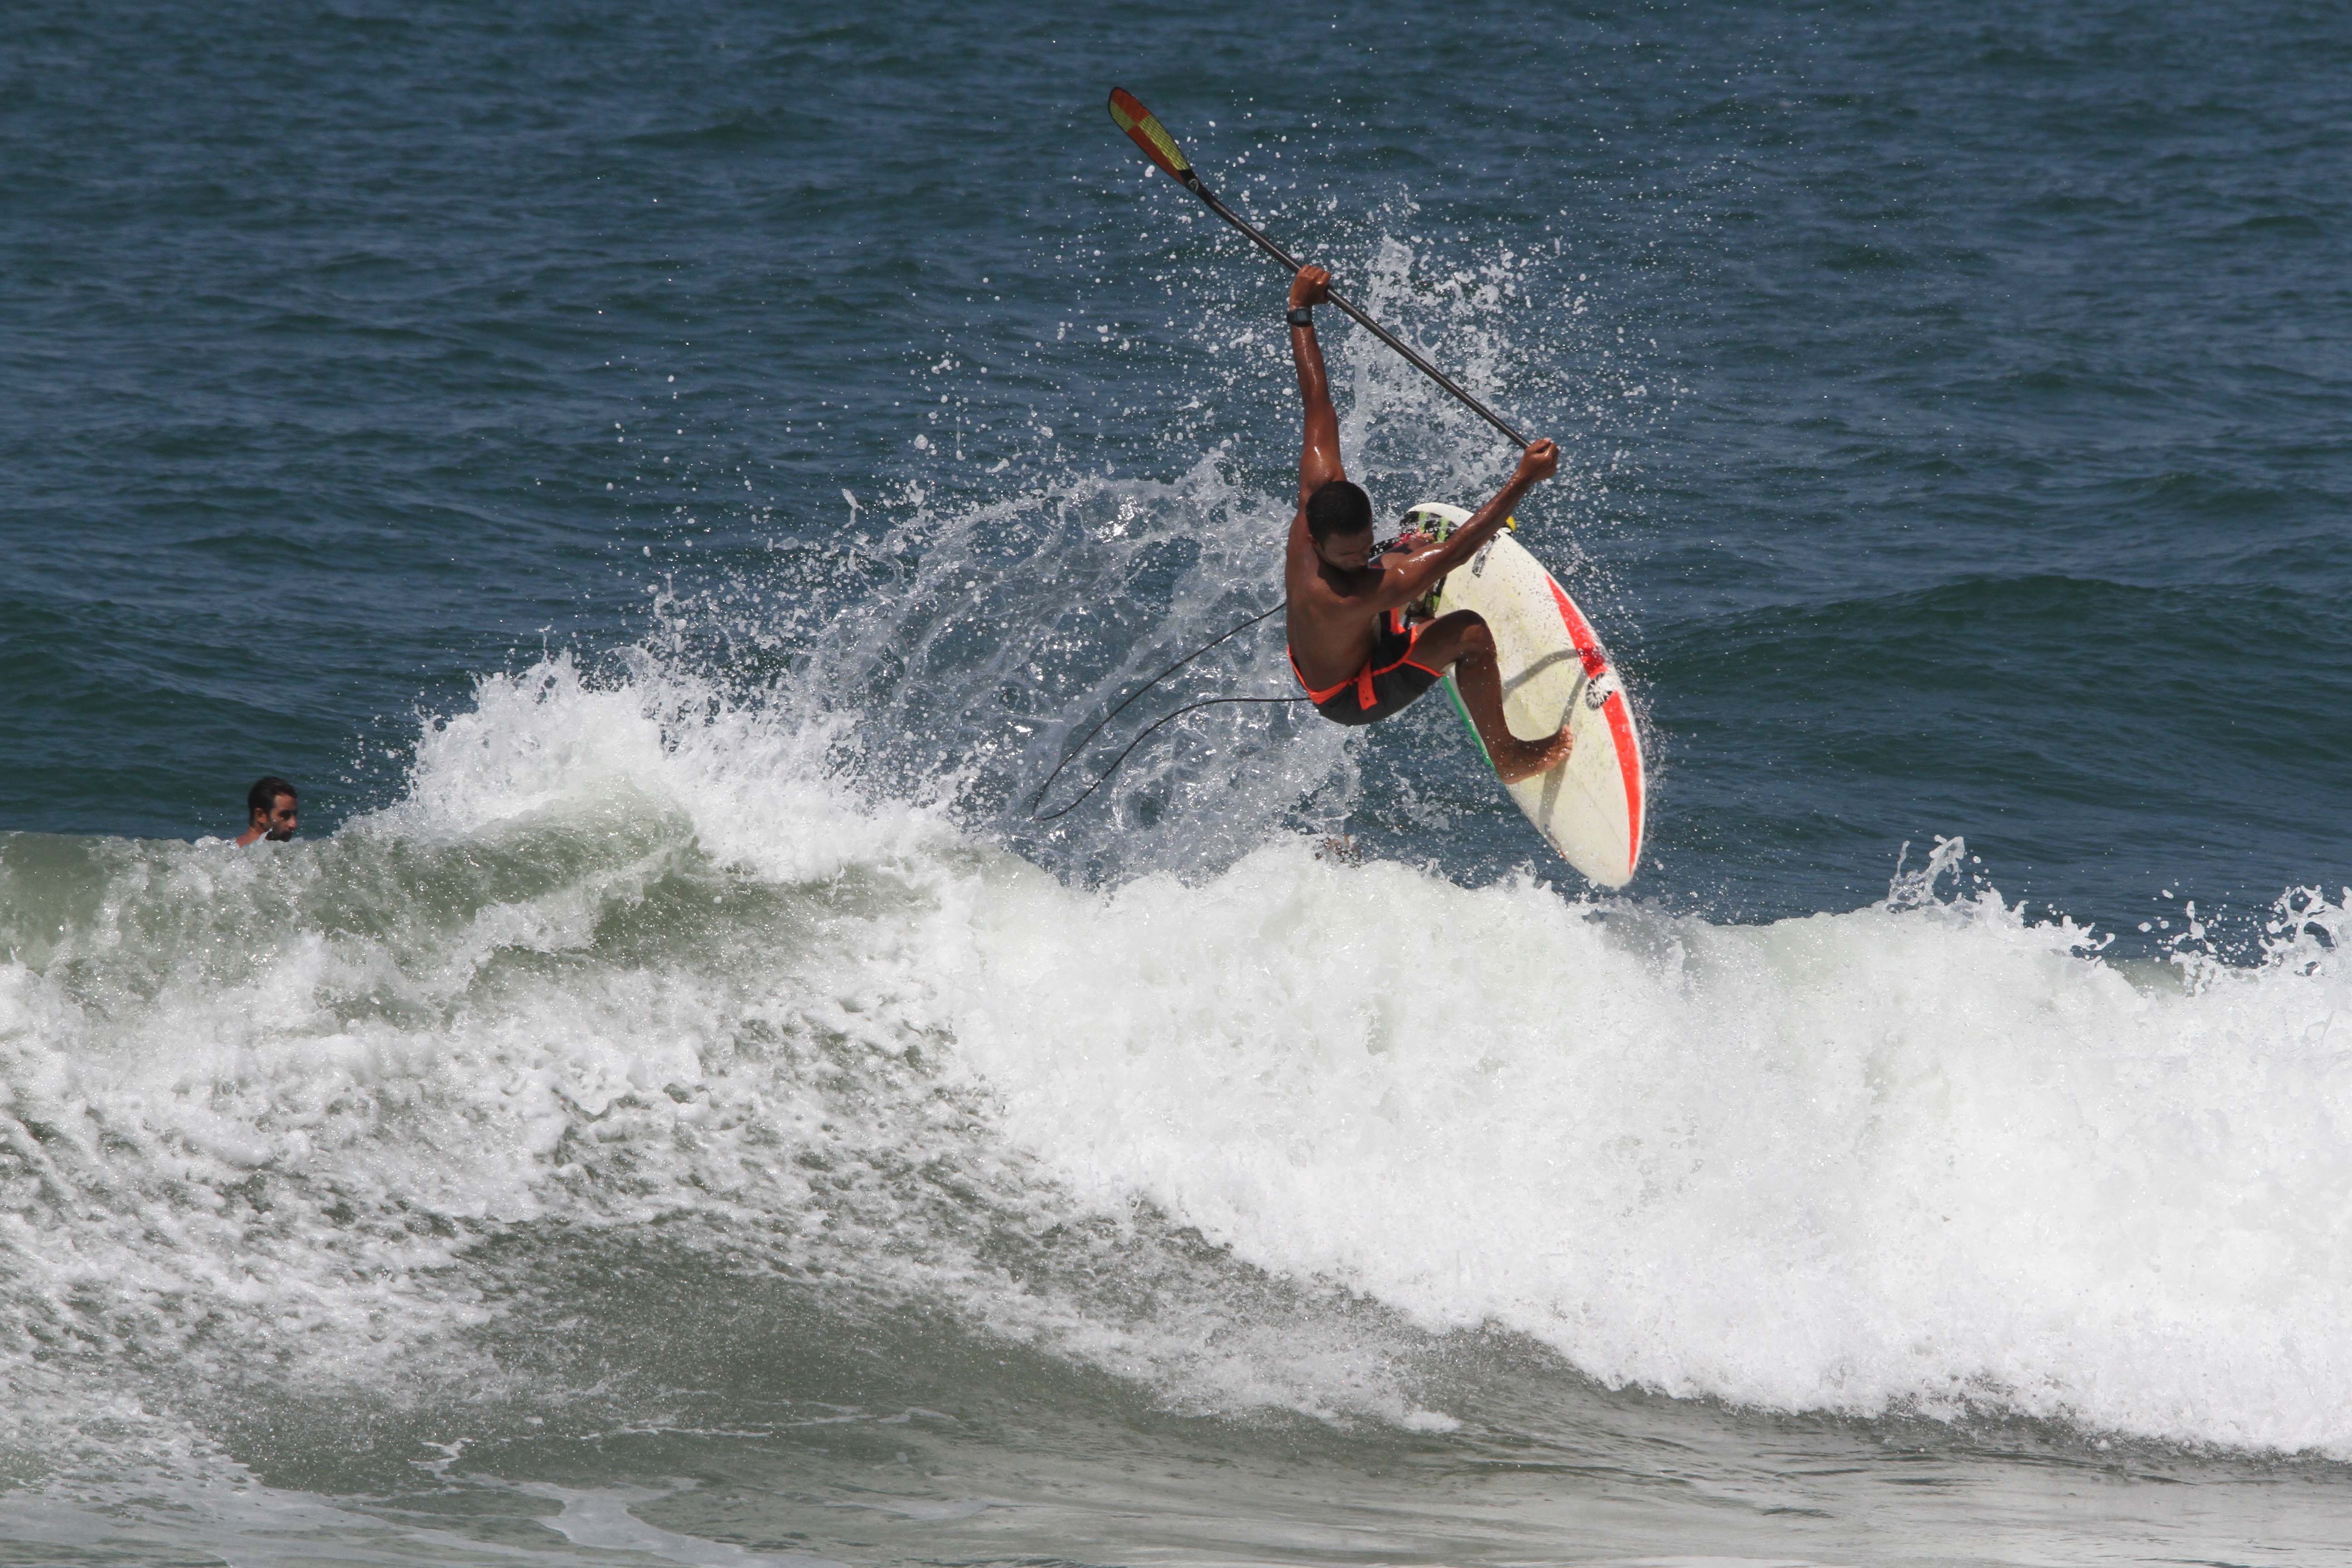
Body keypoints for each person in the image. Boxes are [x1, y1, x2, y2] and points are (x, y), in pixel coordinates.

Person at [1280, 265, 1574, 783]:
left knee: (1404, 552)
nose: (1358, 558)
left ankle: (1409, 609)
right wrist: (1524, 479)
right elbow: (1458, 551)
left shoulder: (1317, 496)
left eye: (1363, 547)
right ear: (1315, 542)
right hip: (1351, 693)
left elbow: (1317, 404)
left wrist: (1300, 311)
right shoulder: (1341, 594)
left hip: (1350, 641)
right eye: (1346, 556)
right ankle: (1508, 757)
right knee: (1470, 633)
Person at [236, 776, 299, 846]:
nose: (294, 825)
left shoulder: (230, 848)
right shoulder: (264, 855)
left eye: (295, 815)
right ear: (260, 816)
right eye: (285, 815)